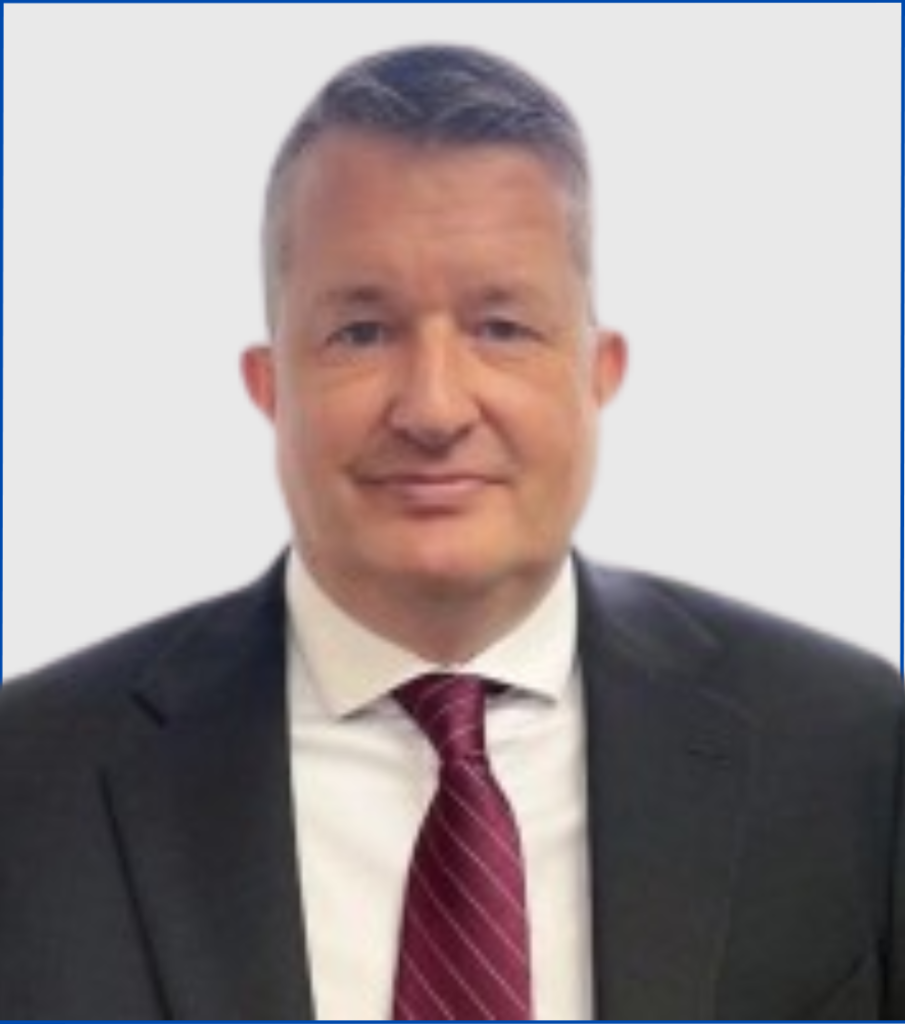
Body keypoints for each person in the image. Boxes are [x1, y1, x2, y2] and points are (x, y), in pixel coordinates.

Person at [0, 43, 902, 1022]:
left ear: (597, 374)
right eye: (361, 332)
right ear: (270, 387)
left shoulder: (850, 751)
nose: (433, 407)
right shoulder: (30, 781)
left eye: (501, 327)